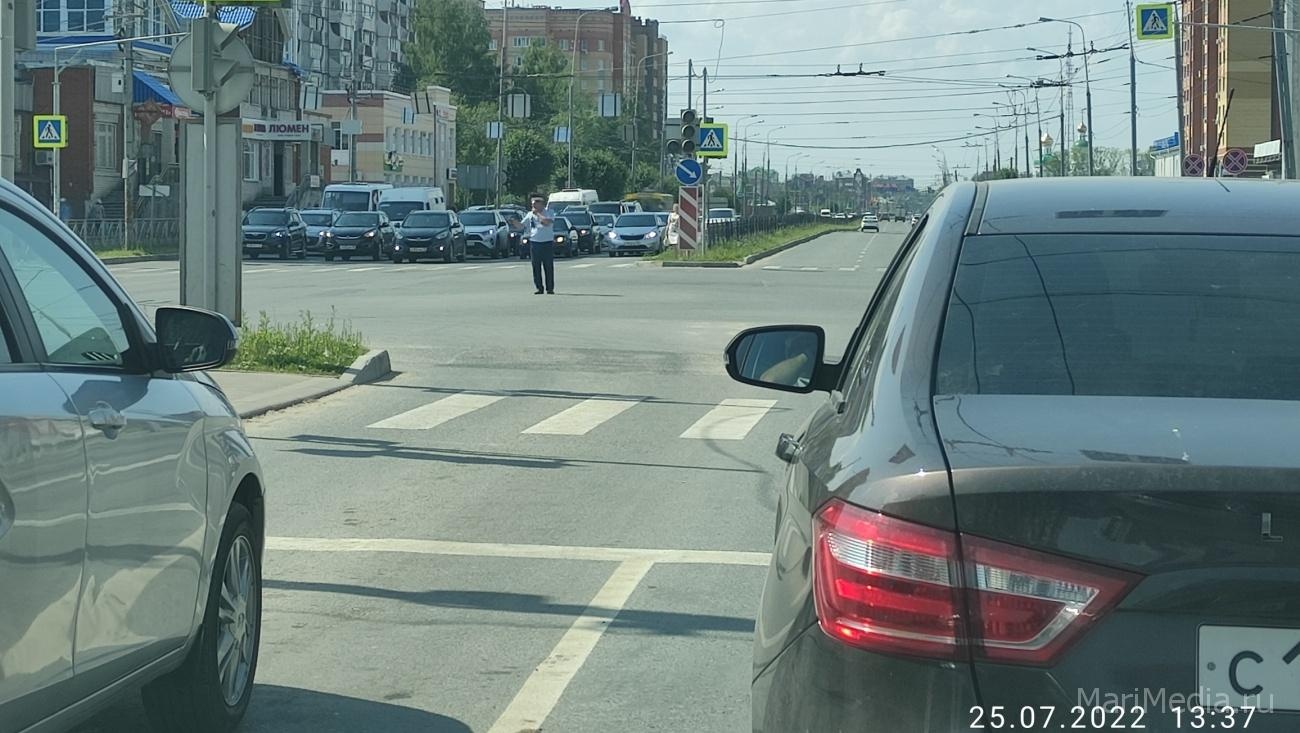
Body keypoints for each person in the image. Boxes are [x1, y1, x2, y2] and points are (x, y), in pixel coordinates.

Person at [521, 195, 556, 294]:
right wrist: (514, 222)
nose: (533, 207)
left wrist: (537, 214)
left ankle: (550, 288)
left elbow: (547, 222)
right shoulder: (530, 214)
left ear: (541, 204)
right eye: (532, 205)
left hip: (547, 242)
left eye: (535, 205)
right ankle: (539, 288)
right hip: (535, 242)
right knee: (536, 266)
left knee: (548, 265)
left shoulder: (549, 212)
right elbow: (522, 225)